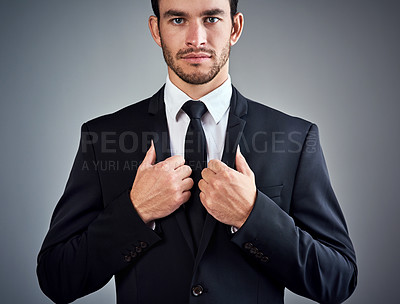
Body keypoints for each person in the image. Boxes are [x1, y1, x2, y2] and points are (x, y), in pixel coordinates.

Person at [37, 0, 357, 303]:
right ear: (156, 29)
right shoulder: (102, 137)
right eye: (178, 19)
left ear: (235, 27)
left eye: (211, 18)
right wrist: (135, 212)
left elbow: (338, 278)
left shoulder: (296, 139)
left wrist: (252, 216)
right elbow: (56, 277)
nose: (196, 38)